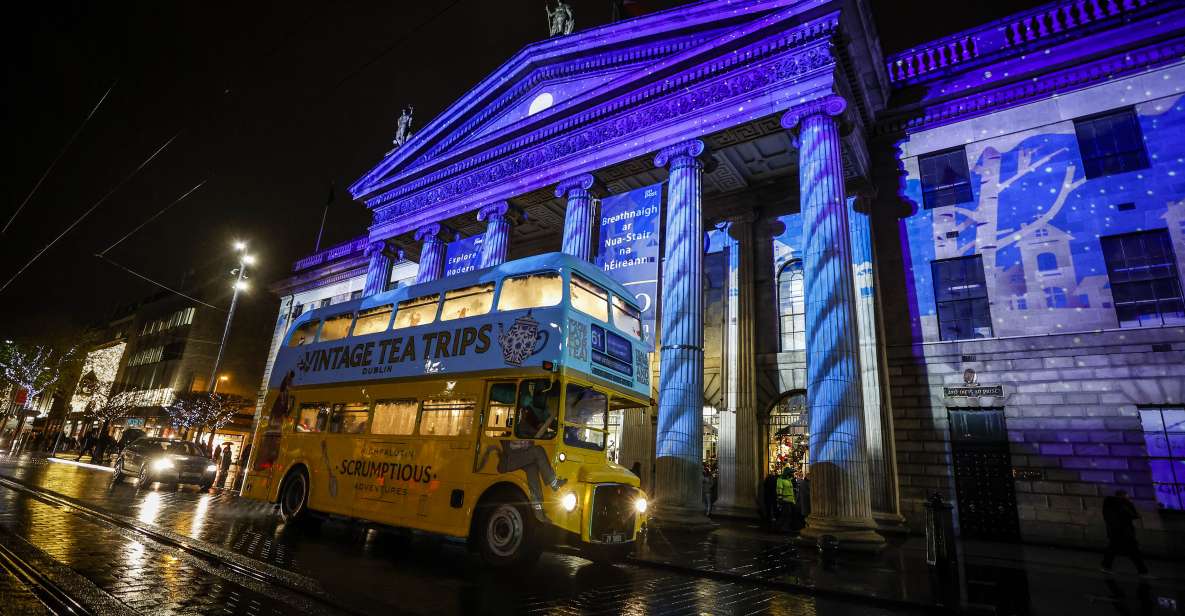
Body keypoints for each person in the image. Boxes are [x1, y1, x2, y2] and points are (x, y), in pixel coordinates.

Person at [1101, 490, 1149, 576]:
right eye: (1127, 497)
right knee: (1133, 552)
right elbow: (1134, 515)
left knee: (1113, 550)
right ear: (1123, 496)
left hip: (1116, 532)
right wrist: (1129, 503)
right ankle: (1143, 572)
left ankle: (1105, 567)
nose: (1128, 498)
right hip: (1124, 532)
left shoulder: (1109, 504)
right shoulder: (1122, 505)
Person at [776, 467, 797, 531]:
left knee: (788, 515)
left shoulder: (789, 480)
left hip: (791, 500)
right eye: (791, 473)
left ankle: (784, 527)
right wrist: (780, 500)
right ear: (787, 473)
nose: (793, 474)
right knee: (785, 515)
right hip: (785, 501)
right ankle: (781, 527)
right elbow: (779, 490)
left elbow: (790, 490)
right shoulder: (780, 479)